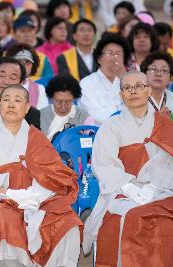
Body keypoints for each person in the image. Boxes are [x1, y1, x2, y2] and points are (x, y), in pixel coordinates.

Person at [0, 84, 82, 266]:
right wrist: (9, 192)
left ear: (27, 107)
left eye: (17, 100)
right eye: (6, 100)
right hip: (0, 198)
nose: (11, 104)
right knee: (6, 221)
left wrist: (34, 195)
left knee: (68, 222)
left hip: (38, 197)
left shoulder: (36, 137)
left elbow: (52, 172)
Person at [83, 71, 173, 266]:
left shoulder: (164, 125)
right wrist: (130, 188)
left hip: (162, 191)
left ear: (149, 91)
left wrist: (153, 188)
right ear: (121, 94)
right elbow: (104, 165)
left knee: (165, 224)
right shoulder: (110, 126)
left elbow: (169, 164)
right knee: (128, 218)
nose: (134, 91)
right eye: (128, 88)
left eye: (139, 86)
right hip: (121, 192)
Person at [78, 33, 130, 125]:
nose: (114, 57)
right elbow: (94, 114)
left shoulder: (128, 83)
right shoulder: (86, 83)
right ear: (99, 59)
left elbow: (138, 108)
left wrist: (125, 79)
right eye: (110, 53)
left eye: (118, 54)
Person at [40, 74, 94, 140]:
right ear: (51, 98)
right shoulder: (41, 115)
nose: (63, 106)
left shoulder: (83, 116)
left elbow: (90, 140)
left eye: (68, 102)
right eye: (58, 101)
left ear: (74, 98)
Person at [5, 43, 49, 110]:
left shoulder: (39, 89)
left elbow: (43, 115)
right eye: (18, 61)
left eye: (27, 62)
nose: (23, 65)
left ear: (33, 66)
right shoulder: (1, 84)